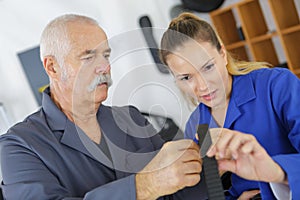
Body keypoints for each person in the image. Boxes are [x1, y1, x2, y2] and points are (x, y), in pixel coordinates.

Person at [0, 14, 209, 199]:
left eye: (106, 55)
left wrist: (212, 164)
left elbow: (176, 192)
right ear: (52, 67)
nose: (105, 67)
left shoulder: (131, 118)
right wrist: (145, 186)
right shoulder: (19, 146)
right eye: (88, 57)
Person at [159, 12, 300, 200]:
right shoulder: (196, 125)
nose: (202, 86)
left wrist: (277, 173)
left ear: (223, 54)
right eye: (186, 77)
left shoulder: (277, 85)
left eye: (208, 67)